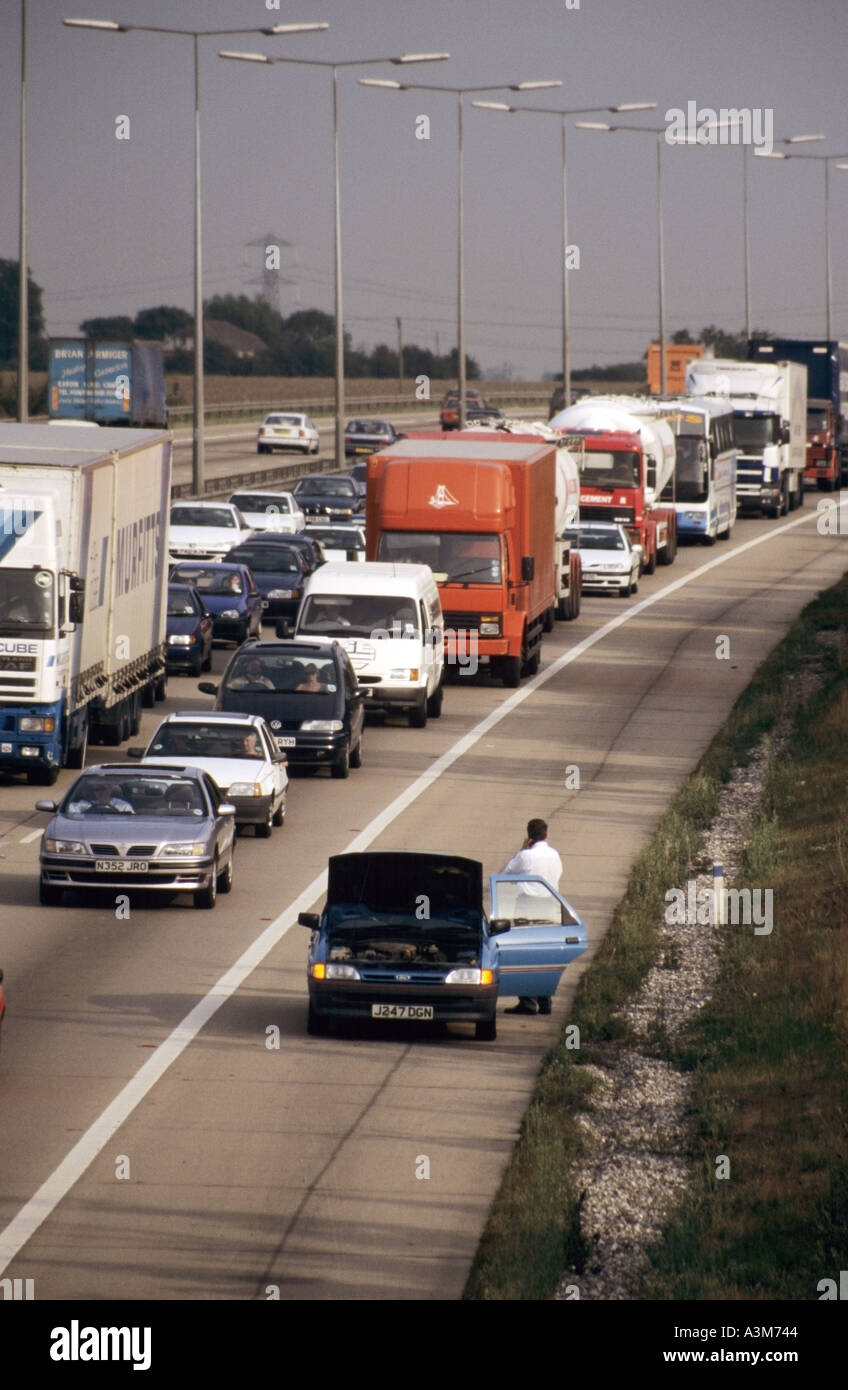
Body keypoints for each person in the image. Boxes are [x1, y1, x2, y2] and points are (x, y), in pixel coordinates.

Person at [502, 818, 563, 1017]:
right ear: (546, 834)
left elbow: (507, 874)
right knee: (545, 954)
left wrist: (521, 851)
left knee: (525, 953)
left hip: (528, 905)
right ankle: (545, 1001)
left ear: (529, 836)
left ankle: (528, 1002)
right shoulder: (555, 855)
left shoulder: (526, 856)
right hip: (550, 906)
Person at [68, 781, 134, 815]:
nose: (100, 792)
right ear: (94, 792)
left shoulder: (123, 805)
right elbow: (70, 810)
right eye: (97, 789)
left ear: (110, 789)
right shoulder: (84, 804)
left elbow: (131, 820)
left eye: (103, 789)